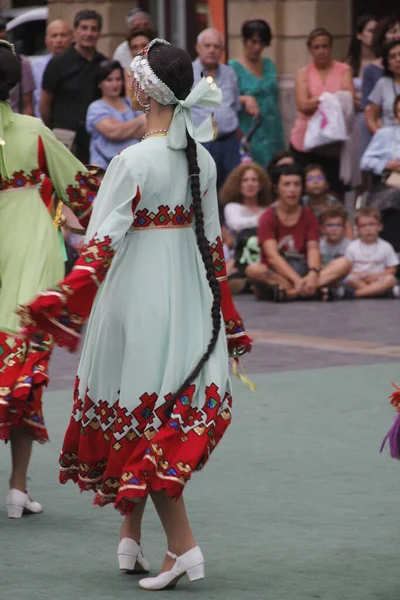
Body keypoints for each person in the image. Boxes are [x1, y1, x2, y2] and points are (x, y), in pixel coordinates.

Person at [19, 39, 251, 590]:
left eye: (134, 77)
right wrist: (232, 320)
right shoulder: (203, 157)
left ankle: (184, 548)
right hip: (189, 296)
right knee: (155, 405)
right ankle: (129, 538)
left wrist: (63, 298)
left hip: (138, 296)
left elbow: (100, 243)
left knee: (143, 413)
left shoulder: (132, 159)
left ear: (146, 90)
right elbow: (215, 248)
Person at [0, 41, 98, 518]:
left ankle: (19, 488)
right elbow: (84, 192)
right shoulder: (34, 132)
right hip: (31, 252)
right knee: (24, 371)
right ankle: (17, 487)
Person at [245, 163, 349, 301]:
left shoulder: (309, 215)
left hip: (304, 271)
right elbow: (272, 256)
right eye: (287, 184)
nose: (292, 190)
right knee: (253, 270)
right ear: (277, 188)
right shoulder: (268, 217)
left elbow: (313, 249)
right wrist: (296, 280)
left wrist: (313, 273)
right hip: (279, 275)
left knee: (344, 263)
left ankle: (292, 293)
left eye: (297, 184)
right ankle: (309, 291)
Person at [290, 28, 354, 198]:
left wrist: (318, 100)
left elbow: (349, 99)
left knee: (335, 188)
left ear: (331, 48)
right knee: (305, 189)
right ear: (310, 50)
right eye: (317, 47)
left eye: (325, 46)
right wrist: (331, 100)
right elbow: (303, 105)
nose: (321, 51)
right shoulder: (303, 73)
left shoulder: (343, 70)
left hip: (334, 141)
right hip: (305, 140)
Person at [39, 10, 107, 163]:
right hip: (64, 135)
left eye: (93, 29)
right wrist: (55, 129)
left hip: (94, 137)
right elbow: (44, 104)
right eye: (84, 28)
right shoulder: (58, 63)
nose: (88, 33)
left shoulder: (104, 63)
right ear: (75, 32)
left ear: (99, 33)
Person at [229, 19, 284, 168]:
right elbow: (223, 99)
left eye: (262, 43)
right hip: (249, 129)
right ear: (244, 41)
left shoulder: (269, 64)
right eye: (253, 42)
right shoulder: (232, 67)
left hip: (273, 129)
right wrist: (244, 99)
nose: (257, 47)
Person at [191, 28, 241, 189]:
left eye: (216, 46)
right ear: (198, 48)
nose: (212, 50)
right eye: (207, 46)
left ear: (222, 50)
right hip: (201, 142)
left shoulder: (230, 73)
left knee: (231, 190)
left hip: (229, 142)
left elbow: (234, 105)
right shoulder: (186, 73)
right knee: (204, 190)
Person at [220, 163, 272, 293]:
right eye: (245, 180)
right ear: (238, 185)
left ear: (260, 185)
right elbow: (237, 225)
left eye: (254, 180)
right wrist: (265, 220)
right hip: (239, 257)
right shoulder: (232, 207)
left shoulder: (267, 209)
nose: (250, 184)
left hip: (264, 255)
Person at [86, 60, 146, 170]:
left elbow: (147, 129)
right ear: (99, 83)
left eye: (118, 79)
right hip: (105, 169)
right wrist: (139, 121)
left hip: (133, 165)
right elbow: (114, 132)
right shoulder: (95, 107)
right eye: (109, 80)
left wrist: (123, 129)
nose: (115, 84)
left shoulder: (129, 102)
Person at [361, 93, 400, 252]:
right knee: (394, 197)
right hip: (389, 185)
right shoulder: (385, 134)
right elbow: (365, 162)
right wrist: (388, 164)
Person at [342, 207, 398, 298]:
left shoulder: (386, 246)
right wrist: (359, 275)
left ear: (380, 227)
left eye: (371, 224)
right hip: (359, 279)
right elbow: (347, 268)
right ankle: (378, 292)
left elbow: (392, 268)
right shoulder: (352, 246)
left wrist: (375, 276)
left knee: (390, 279)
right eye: (363, 226)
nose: (368, 229)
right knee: (351, 280)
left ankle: (358, 294)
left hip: (378, 278)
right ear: (358, 229)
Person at [344, 14, 377, 158]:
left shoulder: (384, 62)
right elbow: (347, 97)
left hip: (379, 120)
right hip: (357, 121)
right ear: (359, 35)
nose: (374, 35)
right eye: (370, 31)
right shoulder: (349, 65)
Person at [31, 19, 72, 117]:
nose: (59, 40)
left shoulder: (77, 64)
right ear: (46, 40)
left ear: (72, 38)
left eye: (63, 35)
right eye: (54, 36)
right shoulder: (35, 66)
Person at [302, 164, 353, 239]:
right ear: (304, 186)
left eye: (319, 178)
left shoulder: (334, 203)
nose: (315, 181)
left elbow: (347, 226)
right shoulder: (301, 203)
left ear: (326, 184)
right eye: (310, 179)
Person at [366, 40, 400, 134]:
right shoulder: (383, 84)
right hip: (389, 141)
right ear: (388, 65)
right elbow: (371, 117)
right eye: (393, 57)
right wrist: (380, 137)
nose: (398, 59)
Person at [123, 29, 155, 93]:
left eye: (144, 46)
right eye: (134, 47)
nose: (139, 51)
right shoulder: (123, 76)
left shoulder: (162, 74)